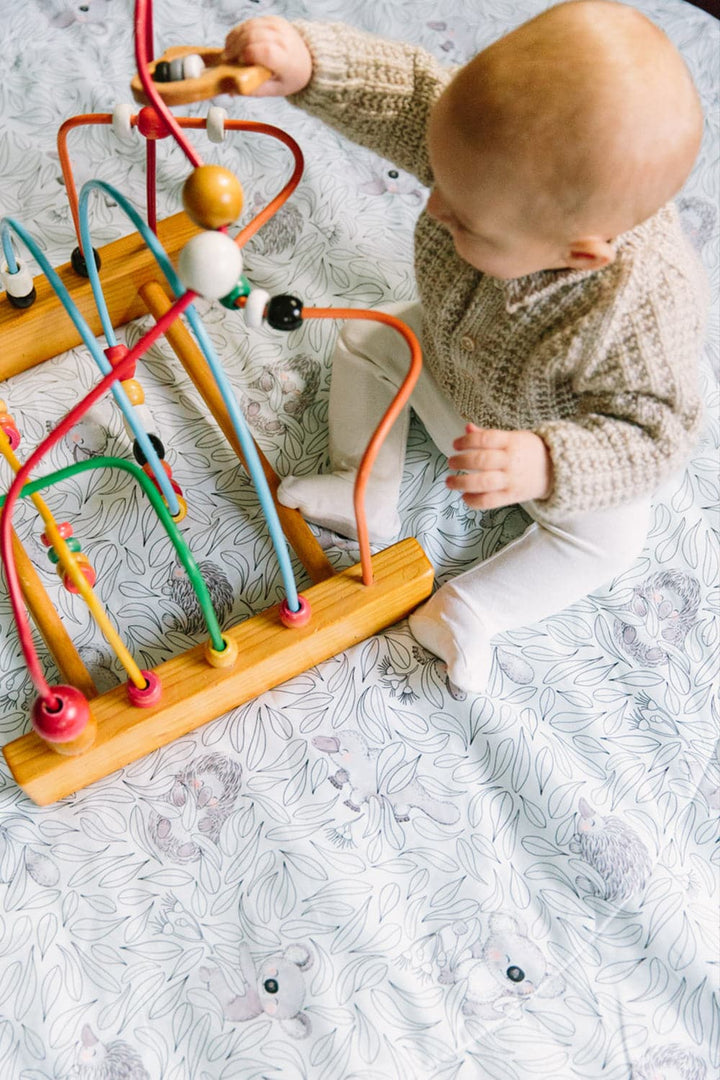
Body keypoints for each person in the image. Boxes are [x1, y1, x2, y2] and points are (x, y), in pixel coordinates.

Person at [222, 1, 707, 692]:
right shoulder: (488, 144)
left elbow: (656, 436)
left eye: (465, 218)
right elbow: (406, 96)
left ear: (578, 254)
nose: (432, 206)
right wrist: (308, 65)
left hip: (552, 444)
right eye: (439, 180)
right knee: (367, 335)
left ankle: (471, 608)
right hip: (447, 363)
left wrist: (547, 462)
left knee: (614, 537)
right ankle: (366, 488)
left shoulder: (643, 307)